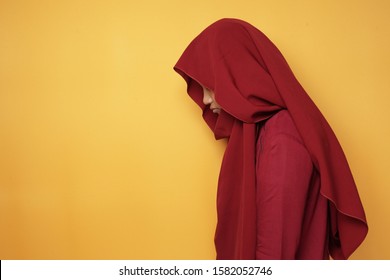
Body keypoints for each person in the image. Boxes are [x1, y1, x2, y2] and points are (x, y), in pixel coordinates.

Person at [173, 18, 368, 260]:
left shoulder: (282, 136)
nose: (205, 100)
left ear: (237, 74)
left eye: (211, 85)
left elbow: (275, 253)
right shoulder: (264, 132)